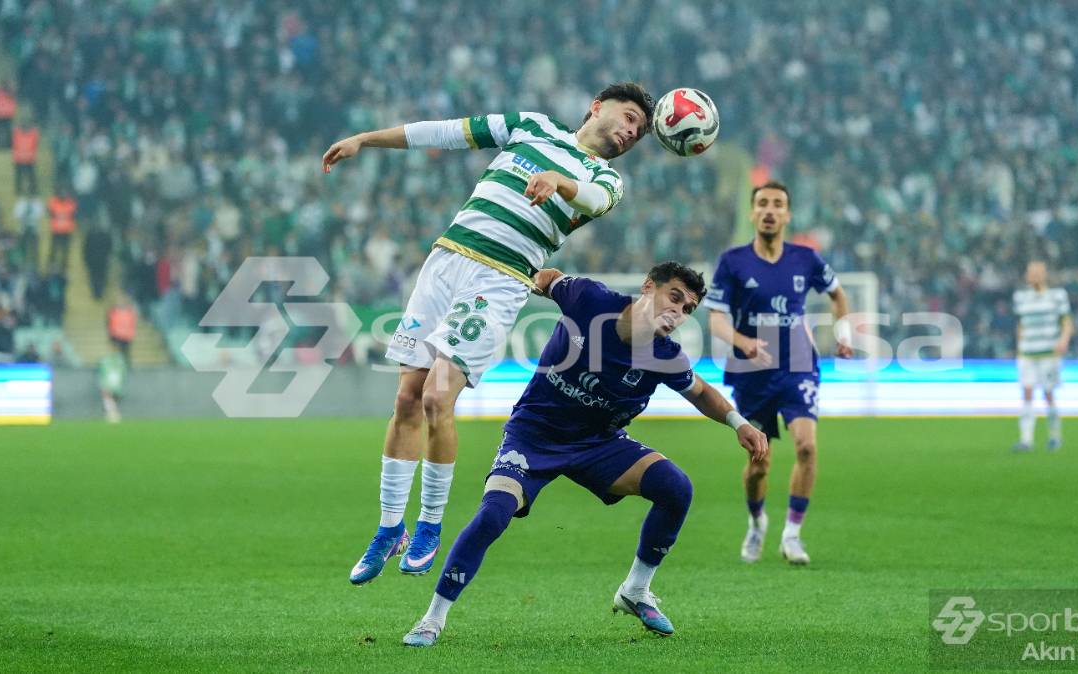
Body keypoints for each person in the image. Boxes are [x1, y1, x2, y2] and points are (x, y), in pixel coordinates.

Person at [323, 83, 656, 581]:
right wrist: (365, 139)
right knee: (407, 399)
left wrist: (559, 183)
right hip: (445, 261)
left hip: (499, 279)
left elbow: (588, 197)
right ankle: (390, 528)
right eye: (629, 117)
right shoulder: (531, 125)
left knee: (439, 397)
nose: (632, 131)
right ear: (596, 107)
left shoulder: (605, 179)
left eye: (642, 130)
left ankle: (430, 524)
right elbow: (448, 132)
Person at [400, 262, 769, 647]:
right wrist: (506, 298)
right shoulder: (590, 299)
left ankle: (635, 591)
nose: (677, 312)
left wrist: (739, 423)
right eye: (673, 297)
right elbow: (545, 278)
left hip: (598, 443)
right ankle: (432, 619)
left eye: (688, 308)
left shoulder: (666, 355)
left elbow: (701, 392)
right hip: (533, 435)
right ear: (648, 287)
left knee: (675, 487)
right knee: (494, 513)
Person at [706, 182, 852, 566]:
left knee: (806, 446)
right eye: (763, 204)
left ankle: (792, 534)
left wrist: (844, 333)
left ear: (787, 215)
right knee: (760, 465)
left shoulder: (806, 258)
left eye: (778, 205)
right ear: (753, 213)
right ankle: (757, 522)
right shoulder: (733, 262)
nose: (770, 210)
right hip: (752, 369)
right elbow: (716, 319)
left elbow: (838, 294)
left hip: (798, 362)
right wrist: (742, 340)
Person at [1012, 261, 1072, 452]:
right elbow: (1020, 323)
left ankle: (1054, 436)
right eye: (1031, 272)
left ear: (1045, 274)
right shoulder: (1021, 297)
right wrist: (1019, 345)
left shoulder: (1057, 296)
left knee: (1048, 393)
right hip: (1027, 353)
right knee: (1027, 392)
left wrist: (1063, 340)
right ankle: (1026, 439)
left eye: (1038, 272)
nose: (1034, 275)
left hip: (1048, 353)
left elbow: (1067, 321)